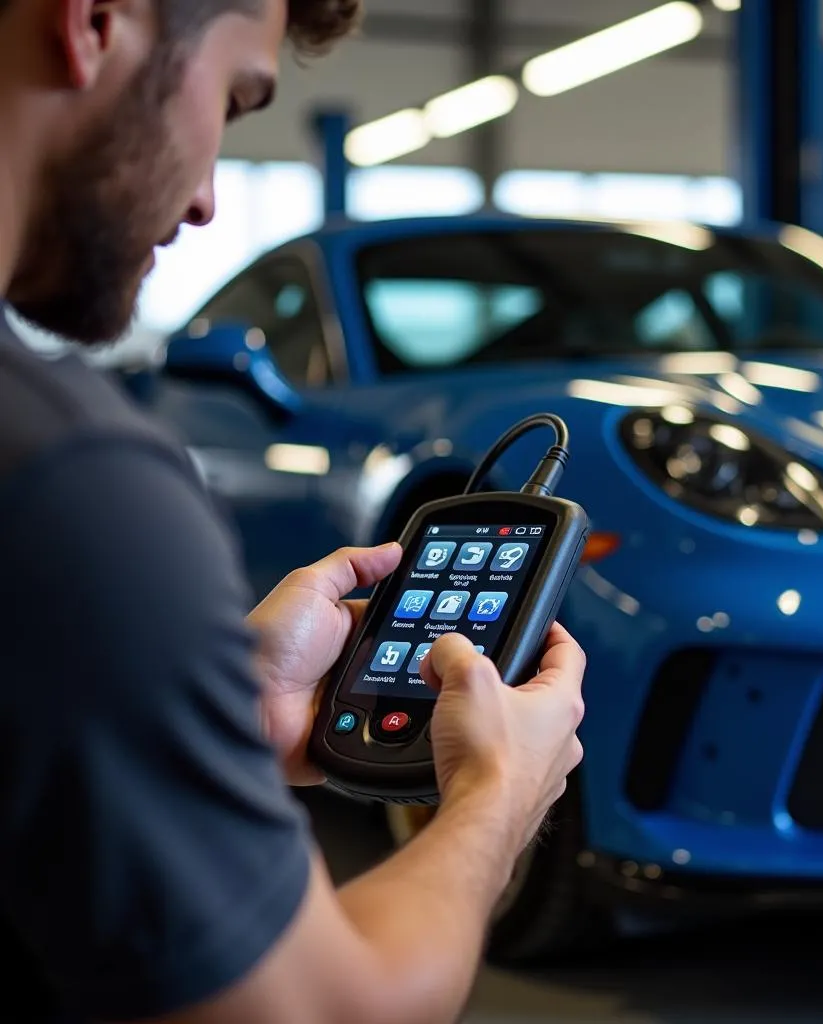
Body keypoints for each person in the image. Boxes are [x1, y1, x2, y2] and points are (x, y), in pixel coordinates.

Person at [0, 1, 586, 1021]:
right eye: (232, 98)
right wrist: (499, 797)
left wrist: (218, 716)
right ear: (93, 19)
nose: (206, 202)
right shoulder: (66, 476)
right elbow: (322, 1010)